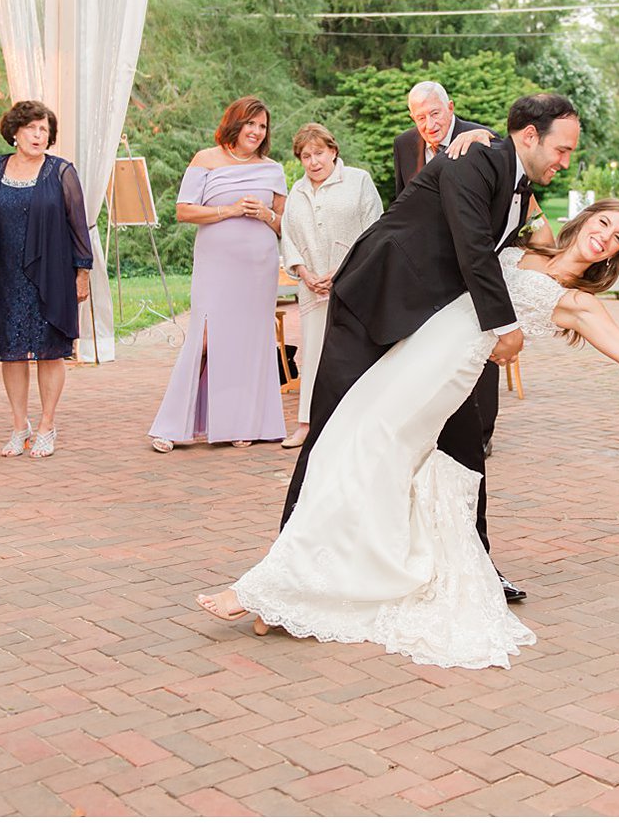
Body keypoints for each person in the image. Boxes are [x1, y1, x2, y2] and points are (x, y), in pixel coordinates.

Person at [196, 199, 619, 669]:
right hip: (412, 350)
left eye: (618, 239)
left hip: (447, 370)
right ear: (585, 220)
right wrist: (470, 141)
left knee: (363, 451)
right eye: (604, 225)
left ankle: (264, 590)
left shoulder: (578, 304)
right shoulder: (525, 247)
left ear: (617, 253)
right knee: (343, 447)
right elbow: (510, 185)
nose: (606, 239)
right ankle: (291, 591)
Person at [280, 92, 580, 607]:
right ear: (531, 136)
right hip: (374, 306)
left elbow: (508, 250)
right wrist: (505, 327)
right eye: (564, 149)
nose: (566, 160)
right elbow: (471, 249)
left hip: (436, 326)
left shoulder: (512, 178)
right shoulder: (475, 158)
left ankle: (477, 566)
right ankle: (286, 568)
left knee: (465, 444)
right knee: (330, 429)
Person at [395, 82, 552, 460]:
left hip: (474, 262)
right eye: (420, 117)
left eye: (434, 114)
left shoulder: (481, 138)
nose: (429, 124)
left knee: (480, 343)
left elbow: (511, 202)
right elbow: (404, 200)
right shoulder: (404, 145)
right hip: (426, 266)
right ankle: (437, 426)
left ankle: (482, 431)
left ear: (449, 107)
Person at [148, 96, 288, 451]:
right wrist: (229, 209)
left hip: (259, 266)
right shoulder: (205, 160)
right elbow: (183, 211)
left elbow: (286, 224)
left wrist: (266, 216)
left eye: (262, 126)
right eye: (251, 123)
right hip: (216, 265)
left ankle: (243, 423)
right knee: (206, 338)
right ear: (235, 123)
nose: (256, 131)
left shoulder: (272, 169)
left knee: (250, 341)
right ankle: (172, 425)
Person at [0, 101, 93, 458]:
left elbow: (78, 225)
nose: (38, 135)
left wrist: (82, 272)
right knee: (11, 352)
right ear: (15, 131)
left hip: (51, 273)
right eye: (31, 128)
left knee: (49, 351)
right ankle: (18, 426)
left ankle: (47, 425)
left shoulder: (61, 172)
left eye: (44, 130)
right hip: (6, 273)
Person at [279, 123, 383, 449]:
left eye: (319, 153)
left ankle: (358, 425)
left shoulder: (358, 181)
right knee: (313, 355)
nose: (313, 161)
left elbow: (375, 230)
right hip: (312, 287)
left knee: (355, 354)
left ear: (333, 151)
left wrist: (342, 272)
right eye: (306, 156)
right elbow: (288, 237)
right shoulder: (297, 191)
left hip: (353, 284)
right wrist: (304, 273)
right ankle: (307, 424)